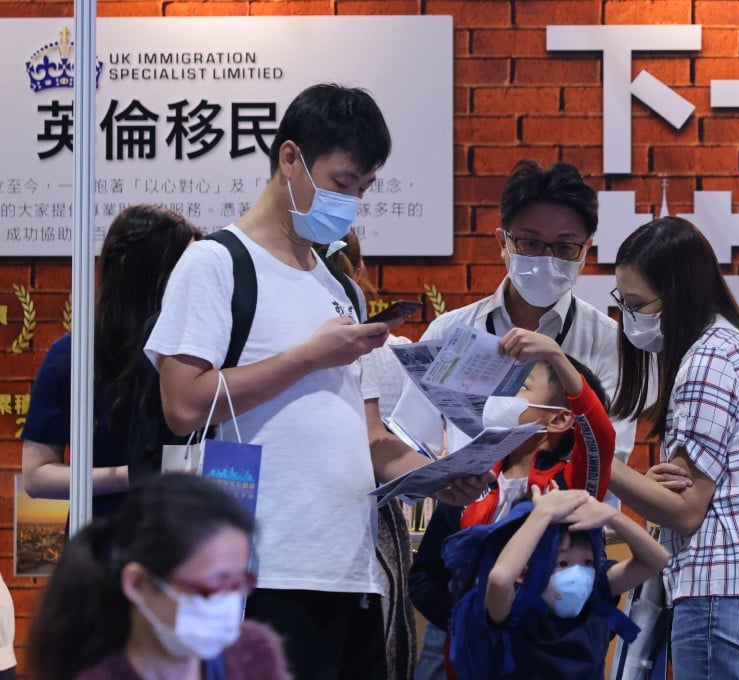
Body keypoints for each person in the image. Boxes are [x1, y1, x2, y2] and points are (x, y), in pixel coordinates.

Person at [143, 83, 487, 680]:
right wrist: (307, 357)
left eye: (363, 189)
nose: (350, 201)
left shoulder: (341, 289)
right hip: (263, 571)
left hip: (353, 570)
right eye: (342, 182)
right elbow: (183, 404)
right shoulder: (218, 263)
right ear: (290, 158)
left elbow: (371, 441)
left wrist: (435, 477)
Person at [390, 159, 637, 680]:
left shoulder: (610, 345)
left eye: (565, 247)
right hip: (465, 543)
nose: (546, 259)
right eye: (529, 242)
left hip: (567, 569)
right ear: (502, 240)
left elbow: (610, 455)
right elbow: (408, 444)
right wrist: (443, 482)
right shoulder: (452, 329)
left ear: (586, 250)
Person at [605, 216, 739, 680]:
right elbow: (687, 493)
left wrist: (594, 455)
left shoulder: (706, 361)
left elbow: (685, 510)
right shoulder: (723, 346)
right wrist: (646, 484)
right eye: (623, 303)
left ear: (677, 294)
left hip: (723, 586)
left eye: (638, 304)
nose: (629, 318)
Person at [408, 330, 615, 675]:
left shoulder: (570, 486)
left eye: (519, 387)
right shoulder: (470, 482)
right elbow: (424, 576)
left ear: (560, 419)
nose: (501, 397)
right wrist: (468, 617)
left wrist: (556, 357)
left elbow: (600, 434)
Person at [21, 204, 201, 520]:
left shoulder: (203, 350)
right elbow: (37, 476)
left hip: (191, 537)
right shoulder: (73, 356)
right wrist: (129, 476)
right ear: (143, 272)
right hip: (107, 538)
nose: (196, 280)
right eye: (184, 268)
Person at [27, 473, 290, 680]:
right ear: (138, 584)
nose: (228, 603)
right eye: (212, 586)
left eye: (238, 583)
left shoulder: (252, 652)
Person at [319, 231, 417, 680]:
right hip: (285, 548)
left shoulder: (366, 349)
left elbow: (376, 440)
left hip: (361, 537)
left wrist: (444, 476)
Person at [449, 486, 668, 679]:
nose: (578, 574)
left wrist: (612, 517)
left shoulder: (594, 594)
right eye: (563, 563)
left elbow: (657, 560)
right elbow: (499, 579)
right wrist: (542, 514)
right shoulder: (512, 609)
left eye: (588, 562)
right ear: (525, 570)